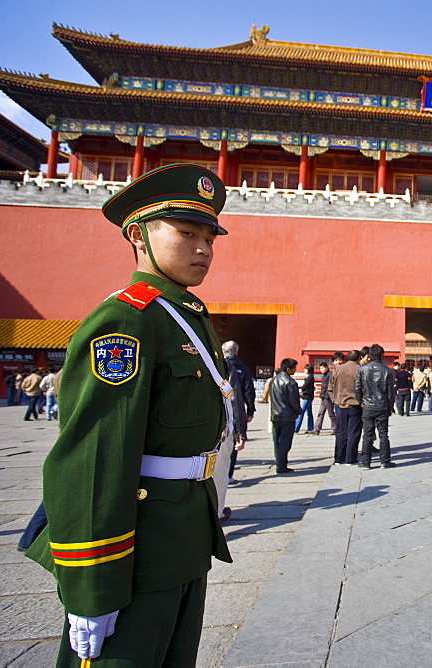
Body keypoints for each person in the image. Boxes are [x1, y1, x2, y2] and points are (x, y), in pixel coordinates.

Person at [25, 164, 233, 664]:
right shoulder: (126, 320)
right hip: (133, 552)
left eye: (210, 236)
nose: (203, 248)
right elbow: (94, 459)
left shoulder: (184, 317)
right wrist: (92, 586)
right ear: (138, 235)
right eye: (187, 233)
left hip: (183, 536)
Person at [355, 343, 397, 469]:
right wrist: (390, 407)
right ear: (381, 355)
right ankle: (385, 460)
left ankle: (366, 462)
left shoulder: (362, 369)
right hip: (382, 405)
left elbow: (357, 388)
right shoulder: (388, 371)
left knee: (367, 434)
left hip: (367, 405)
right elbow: (390, 392)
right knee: (383, 434)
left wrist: (361, 402)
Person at [330, 349, 363, 465]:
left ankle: (339, 458)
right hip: (355, 405)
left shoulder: (338, 369)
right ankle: (350, 458)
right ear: (359, 358)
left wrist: (335, 399)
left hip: (339, 405)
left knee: (340, 432)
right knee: (353, 432)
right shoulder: (360, 369)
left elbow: (330, 387)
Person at [269, 359, 300, 473]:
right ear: (288, 369)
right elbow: (294, 401)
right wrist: (298, 411)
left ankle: (279, 463)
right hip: (287, 415)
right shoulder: (290, 382)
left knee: (277, 442)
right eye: (294, 368)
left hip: (275, 414)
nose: (295, 370)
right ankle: (281, 466)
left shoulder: (273, 380)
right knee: (285, 443)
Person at [222, 341, 256, 441]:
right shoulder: (242, 368)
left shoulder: (218, 366)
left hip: (219, 408)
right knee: (235, 439)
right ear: (237, 351)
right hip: (237, 407)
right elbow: (249, 391)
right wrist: (250, 411)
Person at [312, 359, 337, 435]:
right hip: (323, 397)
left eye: (323, 368)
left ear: (327, 367)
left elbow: (329, 387)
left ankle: (334, 428)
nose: (321, 370)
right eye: (320, 368)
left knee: (331, 413)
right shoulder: (323, 376)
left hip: (328, 397)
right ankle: (317, 428)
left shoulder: (330, 375)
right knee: (320, 413)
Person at [294, 364, 316, 433]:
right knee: (309, 413)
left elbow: (305, 386)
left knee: (301, 412)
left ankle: (296, 428)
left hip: (307, 397)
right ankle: (310, 427)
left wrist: (300, 387)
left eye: (306, 369)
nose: (304, 370)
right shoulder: (311, 377)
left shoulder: (309, 378)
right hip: (310, 396)